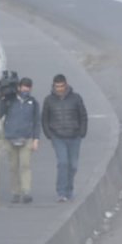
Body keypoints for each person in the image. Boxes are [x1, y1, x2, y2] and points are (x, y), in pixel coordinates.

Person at [41, 73, 88, 203]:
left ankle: (69, 189)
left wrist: (82, 132)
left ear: (66, 85)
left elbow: (83, 115)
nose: (59, 89)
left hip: (74, 136)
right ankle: (61, 192)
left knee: (73, 165)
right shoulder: (49, 100)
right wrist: (49, 134)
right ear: (53, 86)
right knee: (63, 163)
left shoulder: (76, 98)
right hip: (58, 137)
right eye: (57, 86)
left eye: (61, 86)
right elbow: (44, 118)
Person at [0, 76, 41, 204]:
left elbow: (36, 122)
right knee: (13, 167)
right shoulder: (9, 101)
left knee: (25, 165)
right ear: (19, 87)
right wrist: (2, 100)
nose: (26, 89)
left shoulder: (33, 103)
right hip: (10, 138)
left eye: (28, 87)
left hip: (27, 138)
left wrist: (36, 139)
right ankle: (15, 192)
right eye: (24, 87)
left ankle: (26, 191)